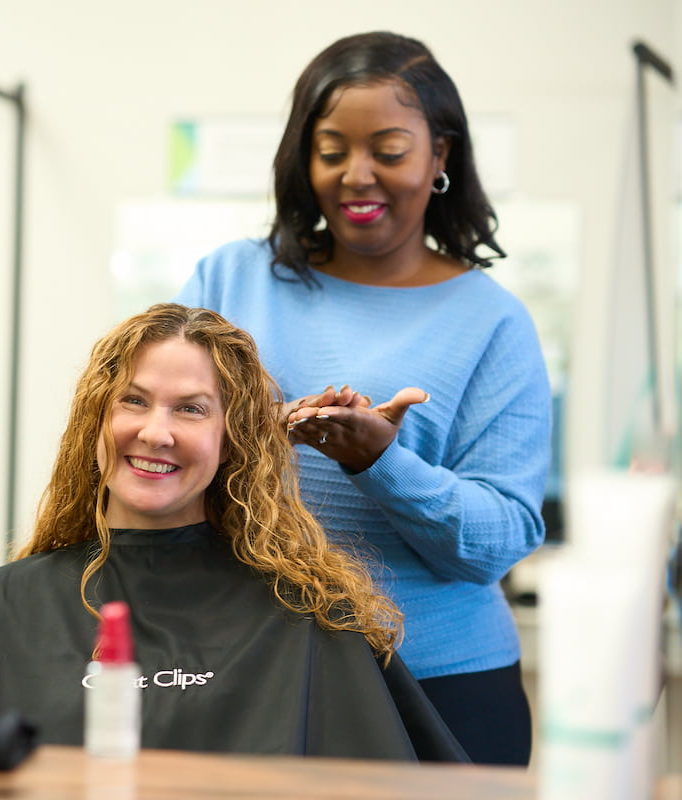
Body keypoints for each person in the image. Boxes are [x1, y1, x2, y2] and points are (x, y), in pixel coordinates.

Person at [173, 32, 550, 766]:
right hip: (256, 667)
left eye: (389, 148)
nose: (357, 175)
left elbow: (500, 539)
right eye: (332, 149)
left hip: (440, 686)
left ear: (439, 156)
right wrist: (253, 430)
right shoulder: (229, 283)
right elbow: (157, 436)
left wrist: (381, 462)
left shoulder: (493, 323)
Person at [0, 303, 466, 762]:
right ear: (96, 422)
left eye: (191, 410)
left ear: (232, 441)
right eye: (133, 400)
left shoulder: (306, 614)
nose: (156, 432)